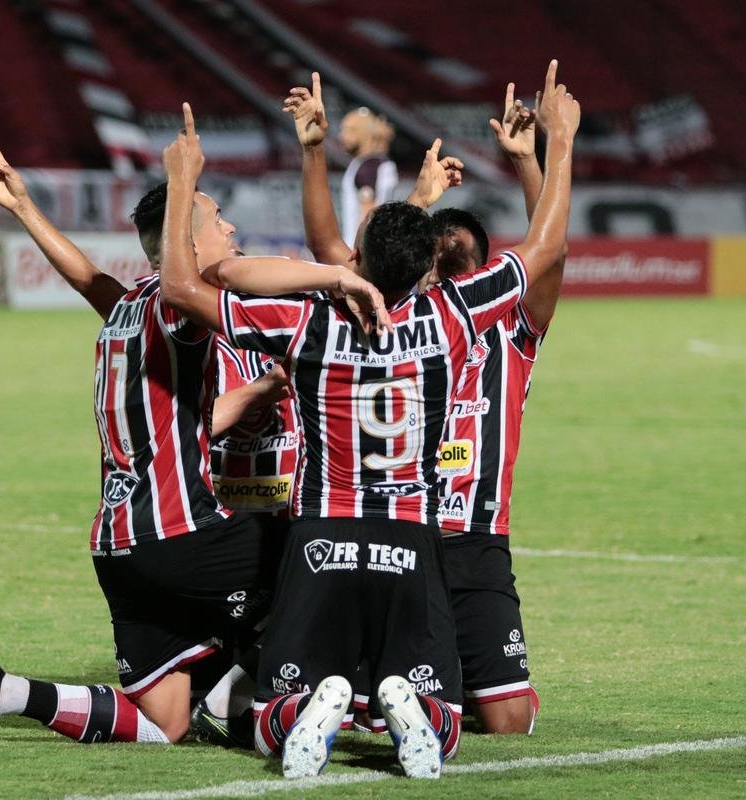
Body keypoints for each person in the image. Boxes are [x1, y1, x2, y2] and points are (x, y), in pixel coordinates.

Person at [155, 60, 578, 778]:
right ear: (426, 272)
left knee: (267, 724)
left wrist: (322, 250)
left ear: (357, 259)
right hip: (411, 536)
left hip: (321, 534)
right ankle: (409, 711)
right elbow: (542, 251)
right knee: (446, 725)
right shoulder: (453, 317)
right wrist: (559, 144)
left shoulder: (311, 320)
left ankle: (320, 707)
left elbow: (198, 284)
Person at [0, 144, 297, 750]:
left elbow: (86, 278)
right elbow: (206, 294)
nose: (231, 227)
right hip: (183, 535)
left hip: (119, 548)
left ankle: (5, 690)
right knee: (326, 561)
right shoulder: (180, 310)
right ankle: (262, 704)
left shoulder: (126, 308)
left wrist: (24, 206)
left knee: (165, 723)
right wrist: (185, 181)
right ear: (187, 241)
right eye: (216, 218)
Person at [429, 81, 568, 735]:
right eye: (439, 250)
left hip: (478, 540)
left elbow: (549, 253)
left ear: (490, 272)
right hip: (404, 532)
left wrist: (528, 160)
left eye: (465, 250)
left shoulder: (511, 332)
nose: (452, 254)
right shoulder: (402, 319)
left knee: (508, 722)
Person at [339, 106, 398, 247]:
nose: (342, 136)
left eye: (351, 130)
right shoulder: (379, 162)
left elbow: (367, 212)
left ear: (365, 133)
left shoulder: (367, 168)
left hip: (360, 250)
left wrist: (361, 254)